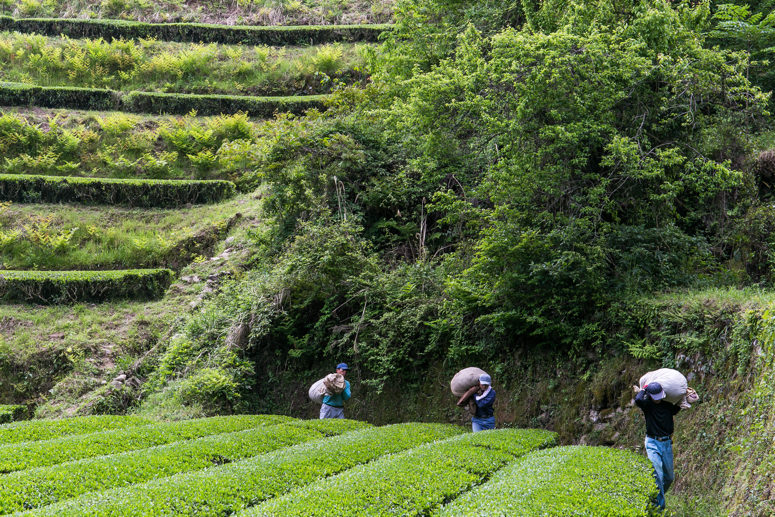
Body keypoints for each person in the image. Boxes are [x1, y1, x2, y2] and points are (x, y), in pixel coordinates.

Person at [634, 381, 681, 511]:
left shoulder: (667, 406)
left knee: (669, 477)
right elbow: (638, 399)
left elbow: (679, 406)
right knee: (658, 475)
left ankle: (655, 496)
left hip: (666, 443)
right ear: (650, 396)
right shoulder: (647, 405)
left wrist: (688, 397)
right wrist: (644, 389)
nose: (658, 400)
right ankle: (659, 509)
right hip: (652, 443)